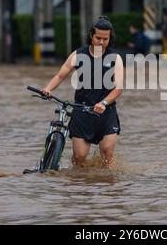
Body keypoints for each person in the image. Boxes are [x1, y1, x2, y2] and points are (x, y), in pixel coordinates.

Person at [41, 16, 124, 169]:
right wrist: (48, 89)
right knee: (79, 158)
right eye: (98, 38)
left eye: (105, 39)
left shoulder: (115, 58)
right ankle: (82, 186)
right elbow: (60, 75)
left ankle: (109, 187)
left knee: (107, 153)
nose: (101, 42)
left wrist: (104, 103)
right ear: (91, 35)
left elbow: (118, 88)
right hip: (82, 111)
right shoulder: (79, 54)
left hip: (106, 112)